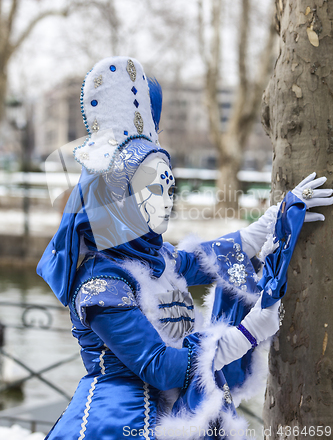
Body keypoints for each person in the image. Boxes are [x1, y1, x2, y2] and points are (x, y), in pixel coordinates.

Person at [37, 56, 333, 440]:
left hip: (182, 416)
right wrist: (247, 332)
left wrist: (280, 215)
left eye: (170, 188)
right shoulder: (102, 285)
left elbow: (213, 257)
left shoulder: (158, 258)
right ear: (121, 199)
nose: (166, 202)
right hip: (120, 425)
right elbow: (163, 367)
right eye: (152, 190)